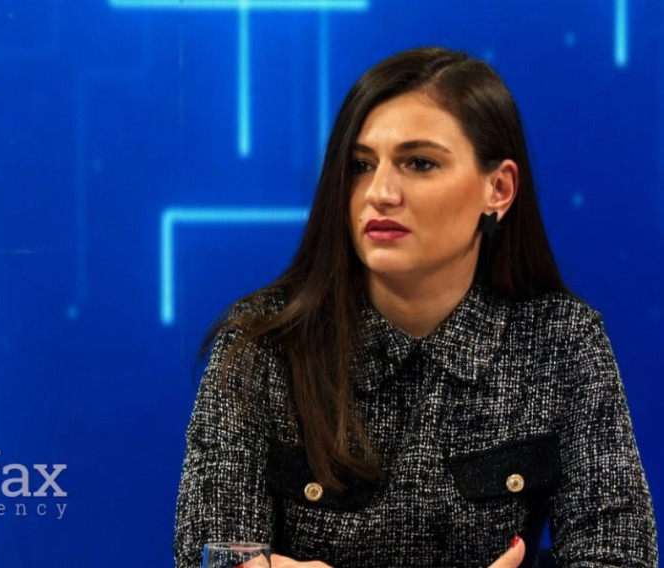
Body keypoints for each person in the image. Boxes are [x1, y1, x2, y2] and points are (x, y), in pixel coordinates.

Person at [173, 47, 658, 568]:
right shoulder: (263, 344)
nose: (379, 193)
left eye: (420, 163)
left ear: (498, 189)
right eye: (361, 165)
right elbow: (211, 552)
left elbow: (619, 553)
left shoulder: (561, 342)